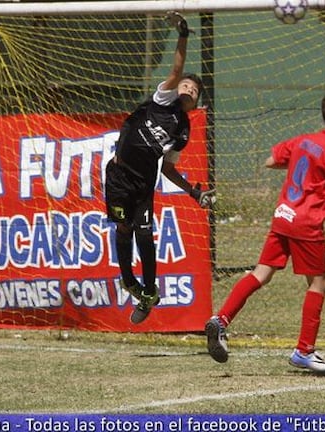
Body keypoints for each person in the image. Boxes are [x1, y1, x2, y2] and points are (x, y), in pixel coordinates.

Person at [204, 92, 325, 372]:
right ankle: (304, 350)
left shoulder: (303, 140)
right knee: (318, 284)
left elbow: (271, 161)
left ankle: (220, 320)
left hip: (283, 216)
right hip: (306, 224)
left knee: (260, 274)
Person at [104, 12, 214, 325]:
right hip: (118, 176)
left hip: (143, 184)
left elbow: (167, 168)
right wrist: (183, 35)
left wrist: (193, 192)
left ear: (196, 102)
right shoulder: (163, 99)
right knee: (123, 229)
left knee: (145, 234)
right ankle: (129, 282)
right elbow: (177, 68)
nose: (188, 90)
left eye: (194, 91)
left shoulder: (183, 128)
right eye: (186, 85)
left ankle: (149, 291)